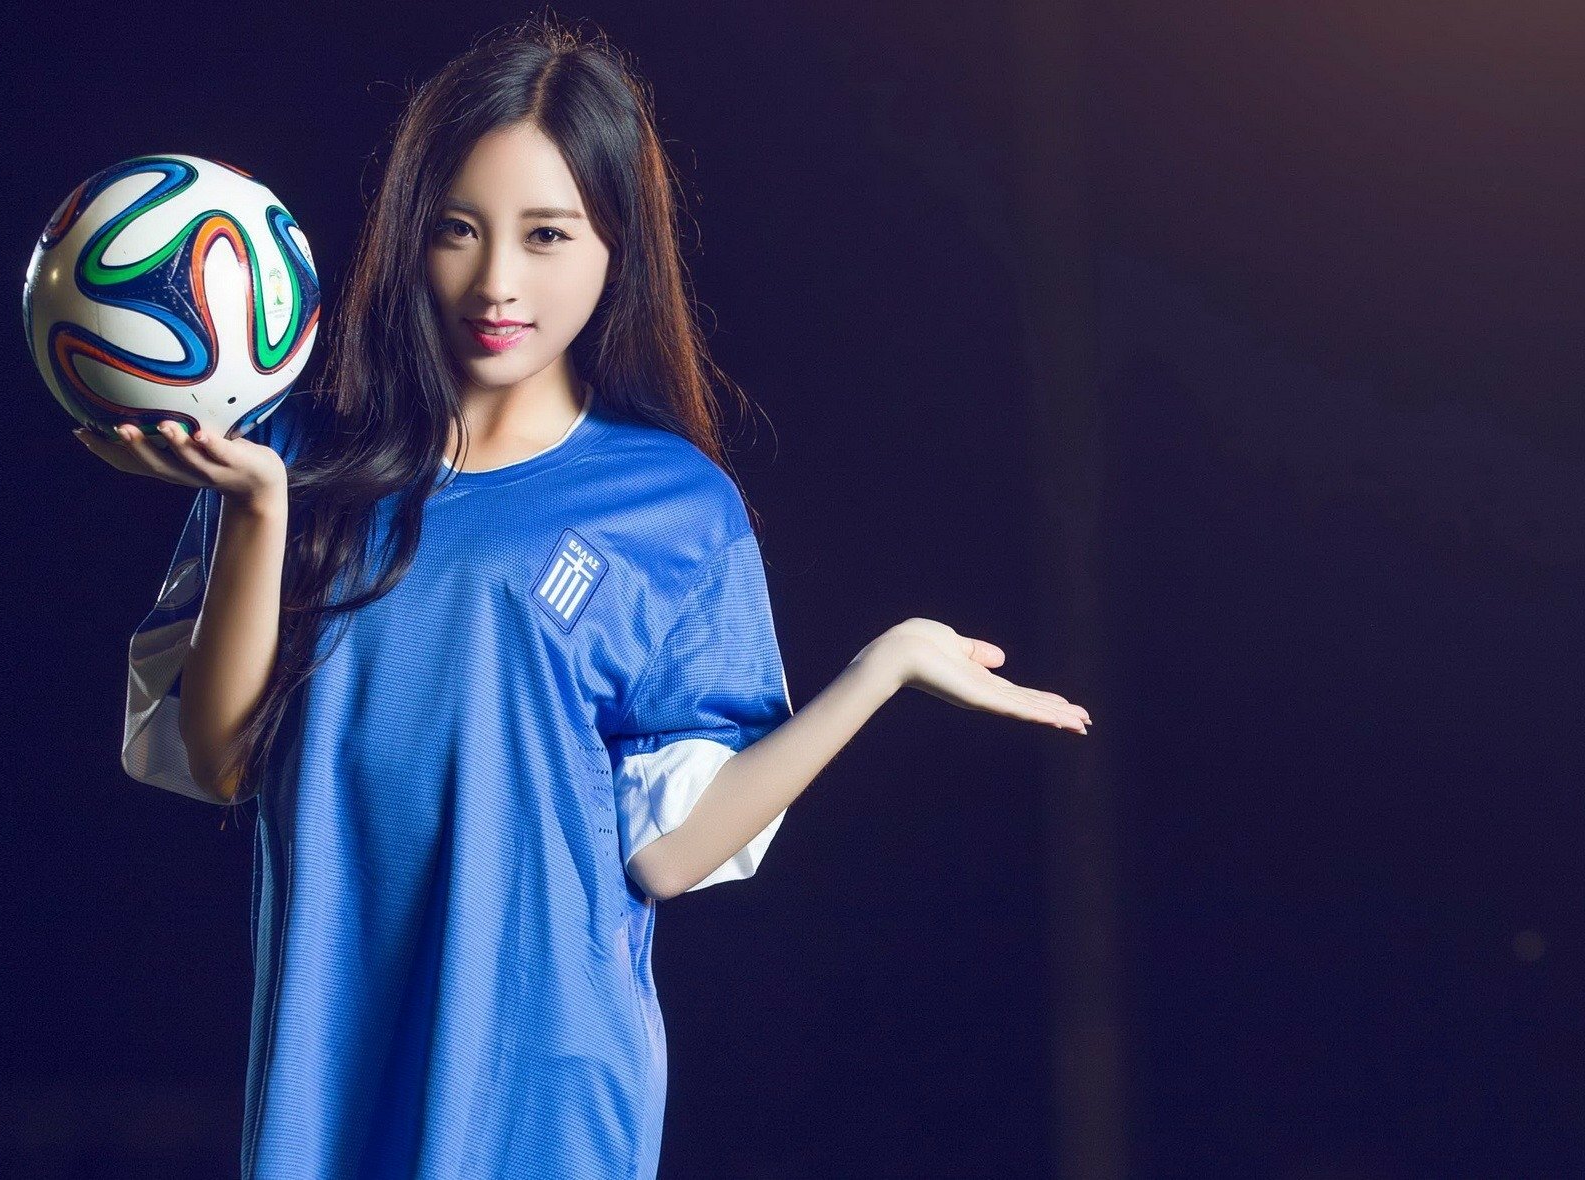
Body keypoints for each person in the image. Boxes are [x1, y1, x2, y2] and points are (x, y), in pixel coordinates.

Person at [77, 16, 1090, 1179]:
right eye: (458, 230)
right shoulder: (294, 451)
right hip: (327, 1067)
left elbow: (664, 858)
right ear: (411, 235)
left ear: (618, 249)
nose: (498, 281)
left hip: (548, 1083)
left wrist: (883, 667)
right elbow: (218, 761)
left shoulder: (671, 507)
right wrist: (259, 505)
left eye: (549, 235)